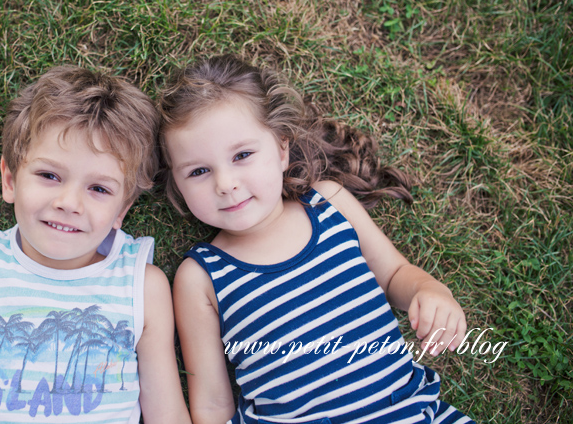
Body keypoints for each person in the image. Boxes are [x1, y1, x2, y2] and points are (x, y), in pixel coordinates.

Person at [158, 54, 474, 424]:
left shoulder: (329, 203)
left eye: (242, 155)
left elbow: (393, 275)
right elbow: (212, 403)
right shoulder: (201, 276)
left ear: (281, 149)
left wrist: (431, 290)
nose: (225, 184)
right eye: (198, 171)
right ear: (177, 184)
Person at [0, 67, 191, 424]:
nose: (69, 202)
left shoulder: (142, 286)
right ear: (10, 180)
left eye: (99, 189)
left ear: (122, 211)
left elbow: (168, 416)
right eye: (49, 176)